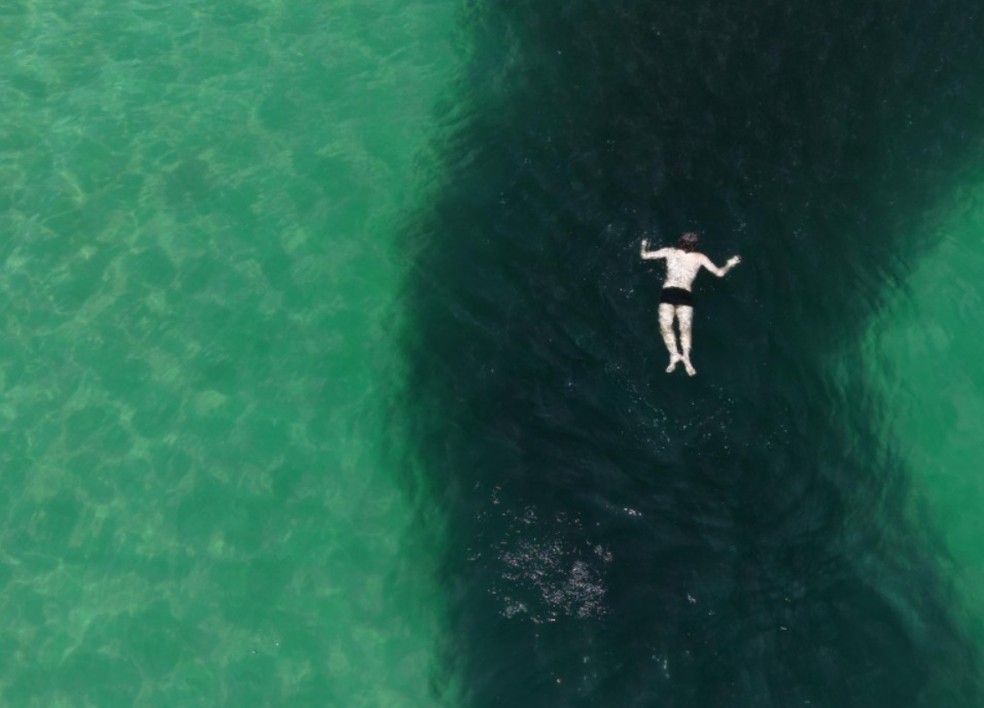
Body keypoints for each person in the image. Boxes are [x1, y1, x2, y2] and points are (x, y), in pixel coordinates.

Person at [640, 232, 740, 376]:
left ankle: (674, 354)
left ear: (680, 241)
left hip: (668, 292)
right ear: (695, 245)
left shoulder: (670, 251)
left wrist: (644, 245)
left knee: (665, 325)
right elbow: (719, 273)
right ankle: (686, 357)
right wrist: (729, 264)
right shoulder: (700, 257)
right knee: (685, 328)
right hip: (685, 295)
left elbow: (644, 255)